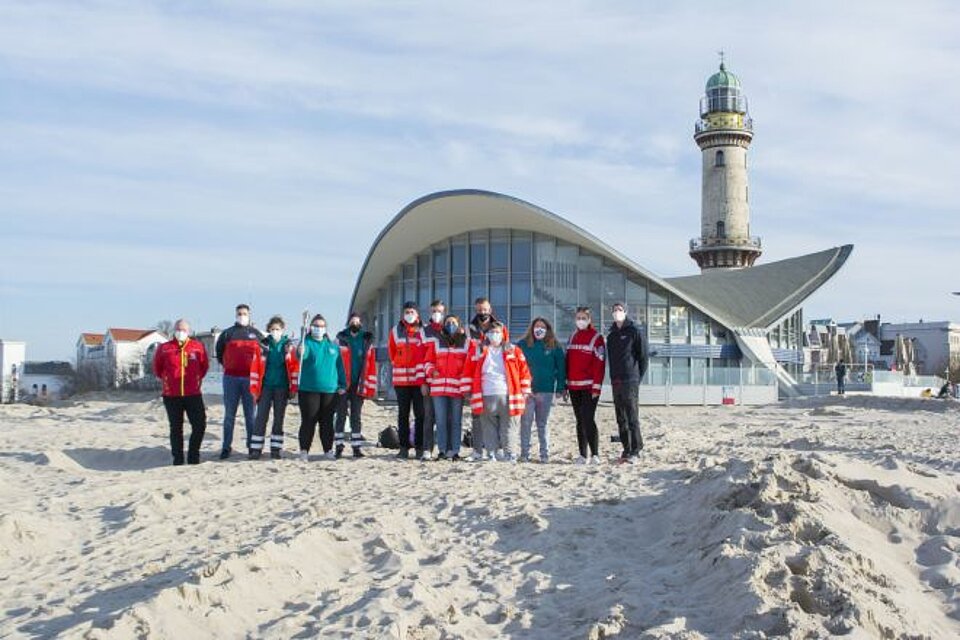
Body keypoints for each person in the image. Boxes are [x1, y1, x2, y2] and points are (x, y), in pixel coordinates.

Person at [467, 321, 531, 462]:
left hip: (509, 395)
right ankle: (491, 453)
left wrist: (525, 391)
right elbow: (468, 370)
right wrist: (467, 390)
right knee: (488, 427)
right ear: (486, 334)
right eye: (491, 332)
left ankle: (510, 454)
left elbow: (524, 371)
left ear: (503, 334)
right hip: (485, 394)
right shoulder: (478, 350)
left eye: (497, 332)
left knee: (509, 427)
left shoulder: (514, 350)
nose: (494, 335)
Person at [153, 319, 209, 465]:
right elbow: (157, 369)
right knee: (176, 428)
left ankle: (193, 455)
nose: (180, 332)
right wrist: (168, 380)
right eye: (178, 329)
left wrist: (195, 379)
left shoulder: (197, 347)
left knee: (199, 424)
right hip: (171, 395)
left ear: (188, 331)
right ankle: (178, 458)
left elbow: (204, 367)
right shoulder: (165, 348)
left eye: (183, 330)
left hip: (193, 394)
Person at [215, 304, 264, 459]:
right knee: (229, 415)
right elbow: (219, 353)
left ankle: (252, 446)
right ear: (235, 315)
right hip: (231, 379)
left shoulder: (257, 334)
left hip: (250, 379)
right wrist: (230, 366)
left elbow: (265, 354)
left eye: (244, 313)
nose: (242, 315)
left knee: (250, 416)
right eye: (239, 313)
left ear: (249, 315)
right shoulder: (227, 334)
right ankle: (226, 447)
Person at [297, 314, 346, 461]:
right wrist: (300, 349)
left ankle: (328, 450)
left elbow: (340, 367)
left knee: (327, 422)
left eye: (321, 326)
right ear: (311, 327)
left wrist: (342, 385)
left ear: (325, 329)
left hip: (330, 390)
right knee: (309, 420)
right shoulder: (307, 344)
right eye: (316, 326)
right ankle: (304, 450)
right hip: (309, 389)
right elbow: (301, 356)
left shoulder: (333, 347)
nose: (319, 329)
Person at [516, 317, 566, 463]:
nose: (539, 329)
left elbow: (561, 369)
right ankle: (525, 453)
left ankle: (544, 454)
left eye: (542, 327)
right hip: (527, 391)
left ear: (548, 329)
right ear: (532, 328)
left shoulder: (555, 346)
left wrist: (561, 387)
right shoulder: (522, 345)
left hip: (547, 391)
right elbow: (516, 366)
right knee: (526, 423)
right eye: (536, 326)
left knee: (542, 423)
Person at [424, 314, 471, 461]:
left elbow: (469, 365)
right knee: (441, 420)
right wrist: (431, 371)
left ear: (459, 325)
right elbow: (427, 362)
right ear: (444, 325)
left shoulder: (466, 343)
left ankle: (455, 451)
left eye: (454, 322)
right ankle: (442, 450)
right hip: (438, 389)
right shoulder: (436, 342)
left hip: (457, 389)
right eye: (448, 322)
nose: (451, 325)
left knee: (456, 421)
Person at [466, 297, 509, 460]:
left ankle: (497, 449)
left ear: (490, 310)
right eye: (479, 310)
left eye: (484, 310)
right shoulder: (469, 329)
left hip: (496, 381)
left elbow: (506, 349)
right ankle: (477, 451)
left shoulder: (500, 327)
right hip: (478, 378)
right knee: (476, 415)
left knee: (497, 416)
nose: (482, 313)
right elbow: (467, 354)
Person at [249, 316, 296, 460]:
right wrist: (254, 389)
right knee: (261, 418)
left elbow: (294, 367)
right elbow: (255, 367)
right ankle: (256, 449)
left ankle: (275, 449)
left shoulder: (288, 346)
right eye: (273, 329)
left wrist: (293, 388)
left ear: (283, 330)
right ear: (269, 329)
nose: (275, 331)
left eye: (278, 329)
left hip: (282, 387)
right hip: (266, 387)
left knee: (278, 419)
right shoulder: (263, 345)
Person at [606, 302, 649, 464]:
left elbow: (643, 357)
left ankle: (636, 450)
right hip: (616, 381)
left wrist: (637, 377)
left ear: (625, 312)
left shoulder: (634, 332)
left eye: (620, 310)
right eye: (615, 310)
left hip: (630, 380)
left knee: (632, 417)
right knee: (620, 417)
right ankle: (626, 448)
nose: (617, 312)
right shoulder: (611, 336)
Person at [388, 301, 430, 460]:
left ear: (417, 314)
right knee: (402, 415)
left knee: (421, 415)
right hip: (401, 382)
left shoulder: (425, 330)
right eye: (406, 311)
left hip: (419, 381)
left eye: (412, 311)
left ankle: (419, 447)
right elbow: (392, 354)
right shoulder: (394, 331)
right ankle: (403, 447)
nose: (409, 314)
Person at [334, 311, 378, 458]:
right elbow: (334, 362)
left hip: (359, 384)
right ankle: (339, 446)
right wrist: (336, 384)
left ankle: (356, 447)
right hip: (343, 383)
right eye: (352, 321)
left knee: (356, 416)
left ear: (361, 323)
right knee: (340, 415)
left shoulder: (366, 340)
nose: (355, 323)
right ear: (348, 322)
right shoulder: (340, 339)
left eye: (357, 321)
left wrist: (370, 386)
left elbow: (371, 364)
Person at [566, 306, 606, 465]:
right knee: (579, 420)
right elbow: (567, 361)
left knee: (588, 418)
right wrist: (565, 384)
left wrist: (597, 386)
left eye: (584, 318)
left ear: (589, 320)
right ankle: (583, 455)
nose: (580, 320)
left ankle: (595, 454)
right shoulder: (572, 336)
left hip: (589, 387)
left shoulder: (597, 338)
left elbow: (600, 364)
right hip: (573, 387)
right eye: (578, 317)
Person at [420, 299, 447, 459]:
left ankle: (446, 449)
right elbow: (421, 359)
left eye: (439, 311)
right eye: (433, 311)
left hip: (447, 383)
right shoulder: (424, 331)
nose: (436, 314)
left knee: (446, 418)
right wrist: (423, 381)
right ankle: (427, 449)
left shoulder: (450, 329)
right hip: (430, 381)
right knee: (428, 416)